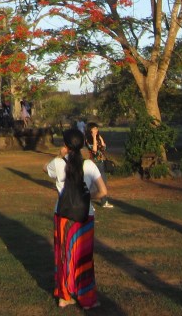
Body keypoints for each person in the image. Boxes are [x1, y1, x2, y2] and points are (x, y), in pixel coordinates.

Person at [46, 127, 108, 310]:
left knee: (64, 255)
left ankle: (64, 296)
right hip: (84, 216)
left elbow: (44, 169)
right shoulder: (89, 165)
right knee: (84, 258)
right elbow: (103, 191)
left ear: (66, 145)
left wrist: (59, 155)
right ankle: (87, 298)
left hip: (63, 215)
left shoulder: (58, 163)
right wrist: (88, 196)